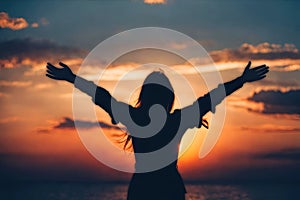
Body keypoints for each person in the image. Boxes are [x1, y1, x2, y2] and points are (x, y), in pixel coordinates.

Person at [46, 61, 269, 200]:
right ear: (168, 97)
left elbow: (102, 96)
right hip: (170, 188)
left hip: (142, 190)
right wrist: (241, 80)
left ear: (145, 95)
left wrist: (72, 78)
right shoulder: (178, 120)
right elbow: (211, 97)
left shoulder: (134, 118)